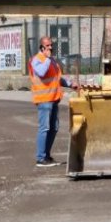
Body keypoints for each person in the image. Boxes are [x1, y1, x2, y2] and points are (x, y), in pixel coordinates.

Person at [30, 36, 78, 168]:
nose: (51, 47)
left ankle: (46, 155)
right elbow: (41, 72)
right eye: (48, 46)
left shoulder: (51, 60)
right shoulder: (37, 60)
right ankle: (40, 158)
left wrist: (70, 83)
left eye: (51, 45)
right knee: (44, 128)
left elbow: (57, 77)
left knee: (54, 128)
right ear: (41, 47)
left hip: (54, 98)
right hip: (44, 100)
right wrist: (46, 58)